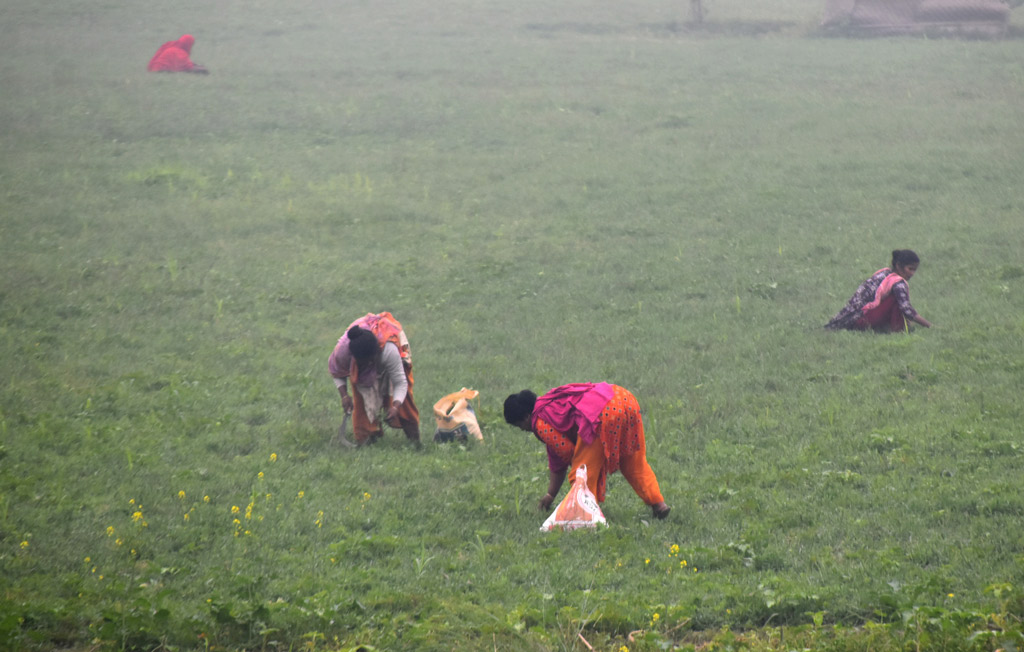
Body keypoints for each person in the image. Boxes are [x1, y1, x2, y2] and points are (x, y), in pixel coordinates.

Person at [504, 382, 670, 519]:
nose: (524, 430)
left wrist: (588, 462)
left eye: (519, 426)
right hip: (624, 399)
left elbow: (566, 451)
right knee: (633, 463)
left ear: (526, 417)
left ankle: (587, 517)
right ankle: (658, 504)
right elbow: (556, 462)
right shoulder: (550, 403)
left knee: (582, 474)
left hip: (602, 414)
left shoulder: (539, 421)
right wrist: (550, 495)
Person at [328, 312, 420, 447]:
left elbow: (400, 382)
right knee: (361, 394)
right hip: (362, 350)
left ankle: (414, 441)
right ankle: (368, 438)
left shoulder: (389, 350)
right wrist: (344, 396)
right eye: (362, 363)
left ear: (376, 353)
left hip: (391, 335)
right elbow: (337, 372)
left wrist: (395, 406)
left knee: (405, 402)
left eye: (369, 362)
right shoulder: (344, 350)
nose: (367, 365)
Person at [825, 249, 933, 333]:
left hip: (850, 319)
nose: (912, 273)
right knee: (896, 300)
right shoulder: (898, 283)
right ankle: (897, 331)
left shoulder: (883, 273)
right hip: (862, 321)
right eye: (910, 269)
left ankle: (886, 327)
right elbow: (907, 310)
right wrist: (930, 326)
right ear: (898, 266)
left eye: (914, 270)